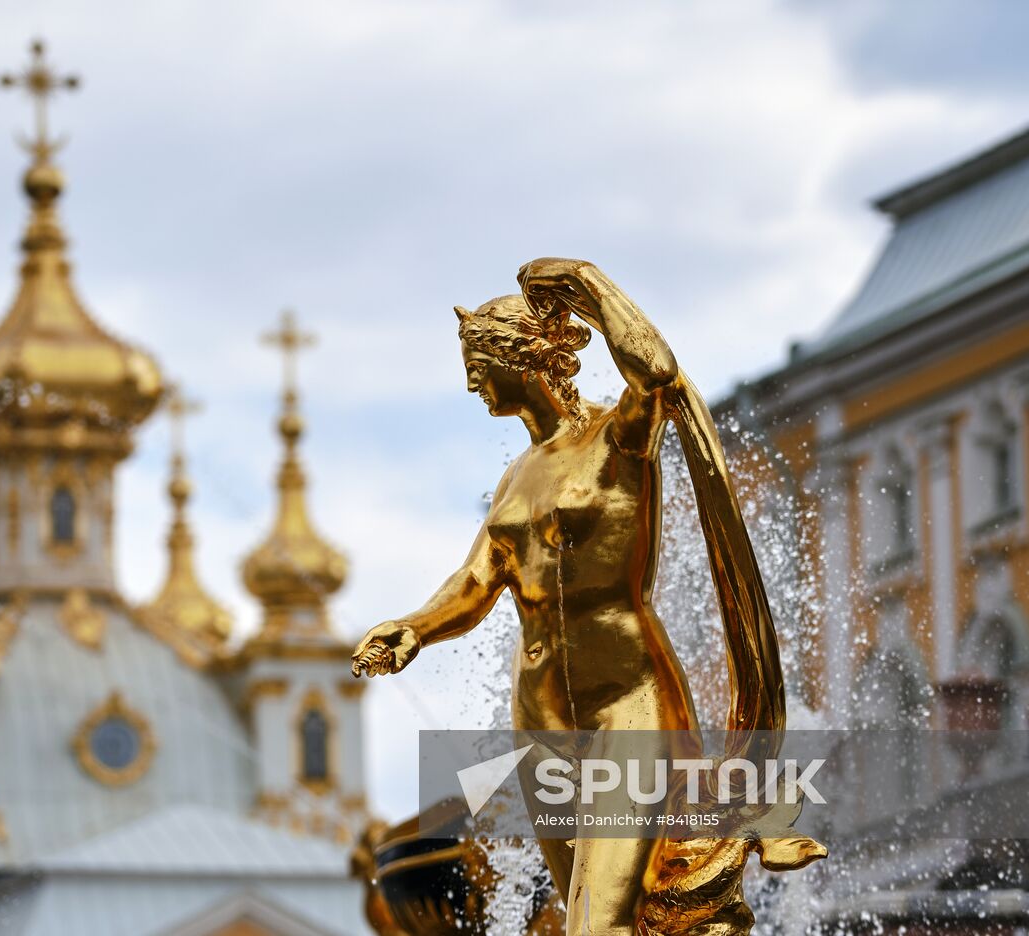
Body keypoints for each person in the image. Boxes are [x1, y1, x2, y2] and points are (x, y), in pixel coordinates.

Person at [351, 258, 821, 935]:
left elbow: (658, 371)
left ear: (523, 356)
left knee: (597, 925)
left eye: (480, 364)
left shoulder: (619, 437)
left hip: (623, 703)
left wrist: (587, 282)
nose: (471, 382)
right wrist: (413, 628)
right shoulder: (516, 478)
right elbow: (478, 579)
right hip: (538, 716)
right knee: (590, 918)